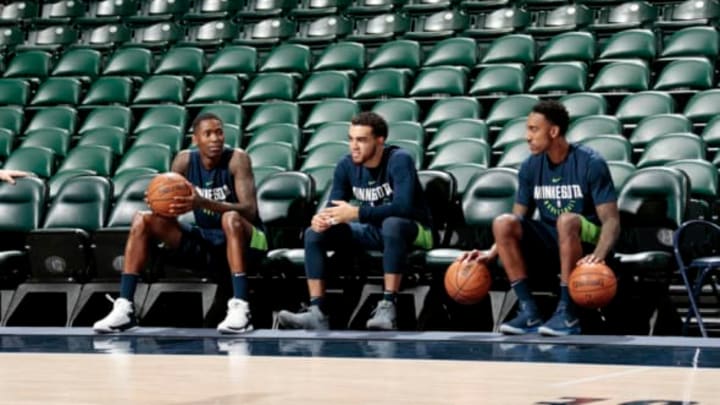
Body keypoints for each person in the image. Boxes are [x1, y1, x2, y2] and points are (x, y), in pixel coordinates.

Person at [93, 113, 267, 334]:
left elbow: (250, 211)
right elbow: (168, 212)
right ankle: (125, 308)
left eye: (219, 132)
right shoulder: (184, 160)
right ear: (196, 139)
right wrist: (158, 205)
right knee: (143, 219)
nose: (215, 139)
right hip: (209, 238)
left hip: (252, 240)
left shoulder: (237, 159)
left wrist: (203, 202)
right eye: (208, 134)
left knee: (230, 217)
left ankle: (241, 308)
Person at [460, 100, 620, 336]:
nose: (527, 136)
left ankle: (567, 312)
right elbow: (517, 219)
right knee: (503, 222)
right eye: (528, 129)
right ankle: (528, 311)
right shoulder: (529, 167)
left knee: (566, 220)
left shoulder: (591, 162)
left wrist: (599, 256)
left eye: (534, 129)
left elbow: (611, 221)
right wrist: (490, 253)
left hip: (587, 237)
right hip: (553, 238)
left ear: (553, 131)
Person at [277, 111, 433, 331]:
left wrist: (358, 213)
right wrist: (323, 219)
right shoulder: (346, 165)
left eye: (361, 140)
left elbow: (403, 208)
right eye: (351, 139)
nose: (354, 146)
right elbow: (335, 207)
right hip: (370, 230)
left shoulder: (399, 159)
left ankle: (388, 305)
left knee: (392, 224)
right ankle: (317, 312)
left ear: (380, 140)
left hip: (414, 231)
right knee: (315, 234)